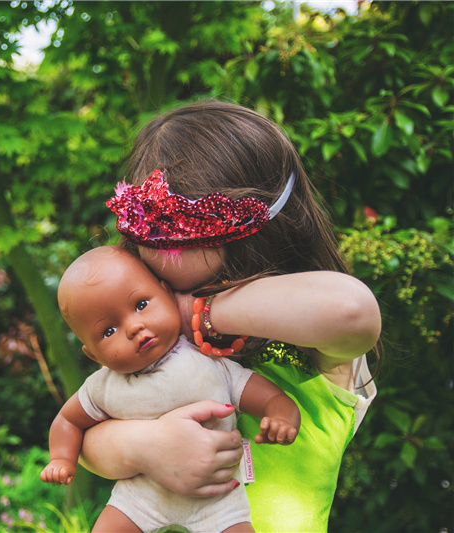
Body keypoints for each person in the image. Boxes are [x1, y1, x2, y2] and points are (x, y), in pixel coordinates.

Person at [79, 99, 382, 532]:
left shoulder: (312, 349)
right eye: (153, 227)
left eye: (184, 229)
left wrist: (205, 314)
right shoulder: (147, 340)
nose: (169, 248)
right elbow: (88, 440)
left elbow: (352, 312)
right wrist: (146, 446)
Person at [41, 245, 301, 533]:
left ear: (166, 293)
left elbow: (268, 397)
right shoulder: (104, 386)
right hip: (141, 497)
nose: (134, 327)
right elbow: (67, 420)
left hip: (218, 498)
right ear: (93, 355)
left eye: (141, 305)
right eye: (108, 331)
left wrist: (281, 416)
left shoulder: (207, 361)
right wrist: (61, 459)